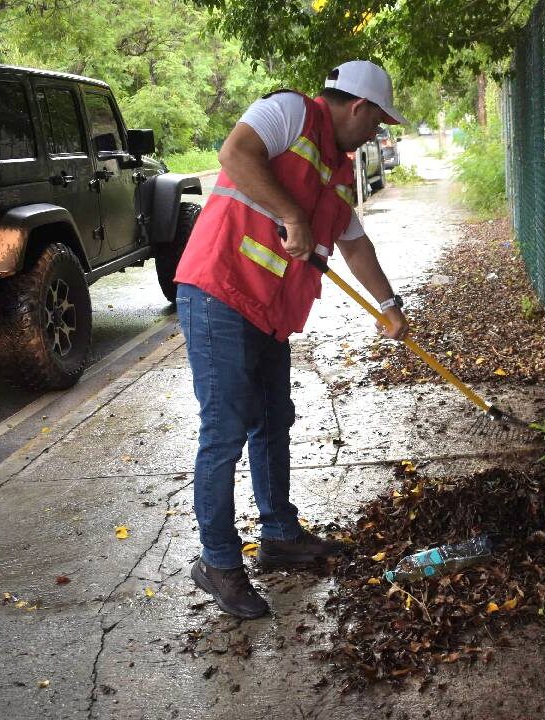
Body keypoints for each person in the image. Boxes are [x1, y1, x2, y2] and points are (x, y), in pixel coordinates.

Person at [172, 60, 410, 619]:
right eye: (377, 121)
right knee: (225, 429)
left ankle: (279, 535)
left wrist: (390, 304)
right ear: (358, 107)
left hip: (268, 312)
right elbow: (235, 154)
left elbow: (355, 243)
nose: (376, 134)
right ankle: (218, 562)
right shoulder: (288, 113)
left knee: (274, 418)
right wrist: (291, 215)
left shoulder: (338, 169)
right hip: (219, 291)